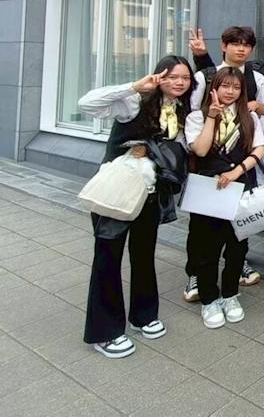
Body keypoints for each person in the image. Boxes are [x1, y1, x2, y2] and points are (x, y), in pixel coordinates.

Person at [77, 56, 194, 358]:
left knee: (143, 254)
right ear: (159, 77)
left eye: (185, 78)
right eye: (173, 77)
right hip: (117, 192)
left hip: (150, 194)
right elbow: (87, 103)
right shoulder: (134, 102)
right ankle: (105, 332)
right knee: (107, 257)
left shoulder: (181, 111)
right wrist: (133, 86)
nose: (179, 82)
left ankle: (143, 316)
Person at [184, 26, 264, 299]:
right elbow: (194, 114)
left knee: (238, 232)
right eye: (235, 43)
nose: (241, 49)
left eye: (246, 44)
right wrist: (211, 116)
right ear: (224, 45)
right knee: (201, 232)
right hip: (207, 173)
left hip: (240, 170)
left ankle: (234, 276)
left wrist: (255, 108)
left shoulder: (256, 79)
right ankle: (196, 276)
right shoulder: (205, 75)